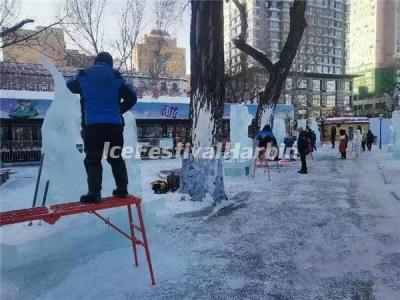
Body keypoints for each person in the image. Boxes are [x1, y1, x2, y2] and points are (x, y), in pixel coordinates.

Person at [67, 52, 137, 203]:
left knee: (93, 159)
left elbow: (68, 86)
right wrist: (119, 110)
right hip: (114, 127)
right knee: (115, 157)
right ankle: (122, 189)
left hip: (93, 127)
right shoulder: (117, 76)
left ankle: (94, 193)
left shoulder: (84, 74)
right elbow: (132, 96)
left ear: (96, 61)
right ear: (110, 63)